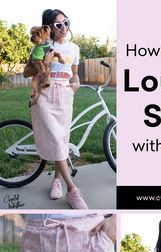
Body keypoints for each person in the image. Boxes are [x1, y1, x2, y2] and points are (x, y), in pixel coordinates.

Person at [26, 9, 87, 209]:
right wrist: (45, 61)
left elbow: (74, 74)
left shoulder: (74, 48)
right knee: (54, 137)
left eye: (66, 22)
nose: (64, 27)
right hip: (44, 94)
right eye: (58, 24)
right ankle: (73, 190)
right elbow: (26, 71)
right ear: (49, 28)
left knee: (61, 139)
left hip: (65, 95)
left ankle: (56, 181)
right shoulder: (43, 45)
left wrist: (75, 85)